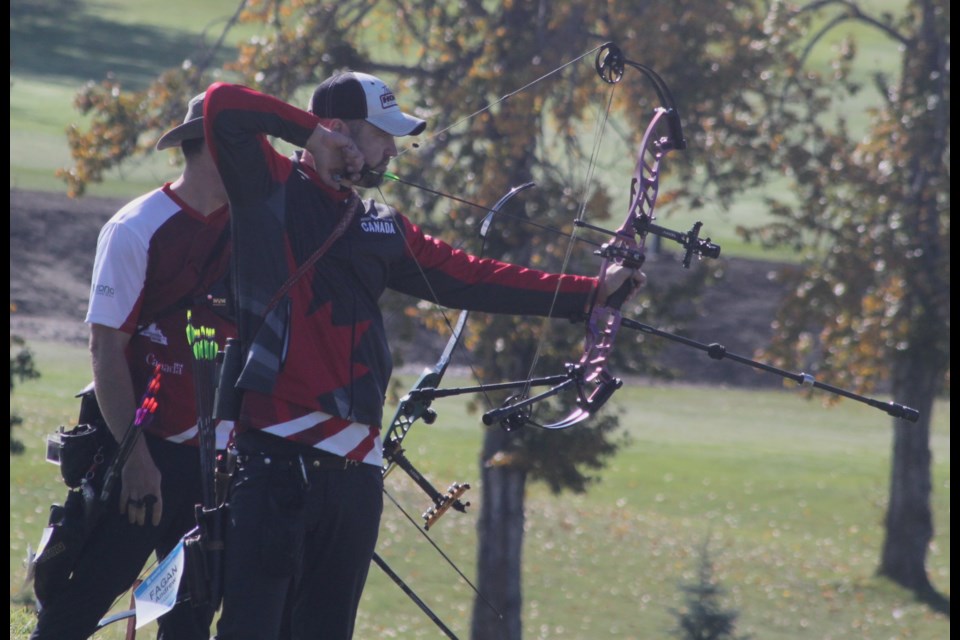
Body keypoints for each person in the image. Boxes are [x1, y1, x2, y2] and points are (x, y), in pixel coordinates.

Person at [202, 72, 644, 640]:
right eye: (382, 135)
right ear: (338, 130)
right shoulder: (267, 187)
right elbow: (223, 105)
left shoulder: (379, 224)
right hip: (275, 462)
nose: (392, 150)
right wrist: (312, 135)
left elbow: (473, 278)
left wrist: (591, 293)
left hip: (355, 472)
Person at [31, 93, 236, 640]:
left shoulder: (253, 232)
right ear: (215, 147)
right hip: (141, 450)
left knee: (191, 615)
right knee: (89, 594)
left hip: (215, 458)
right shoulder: (137, 227)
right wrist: (137, 462)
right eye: (245, 143)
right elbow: (106, 350)